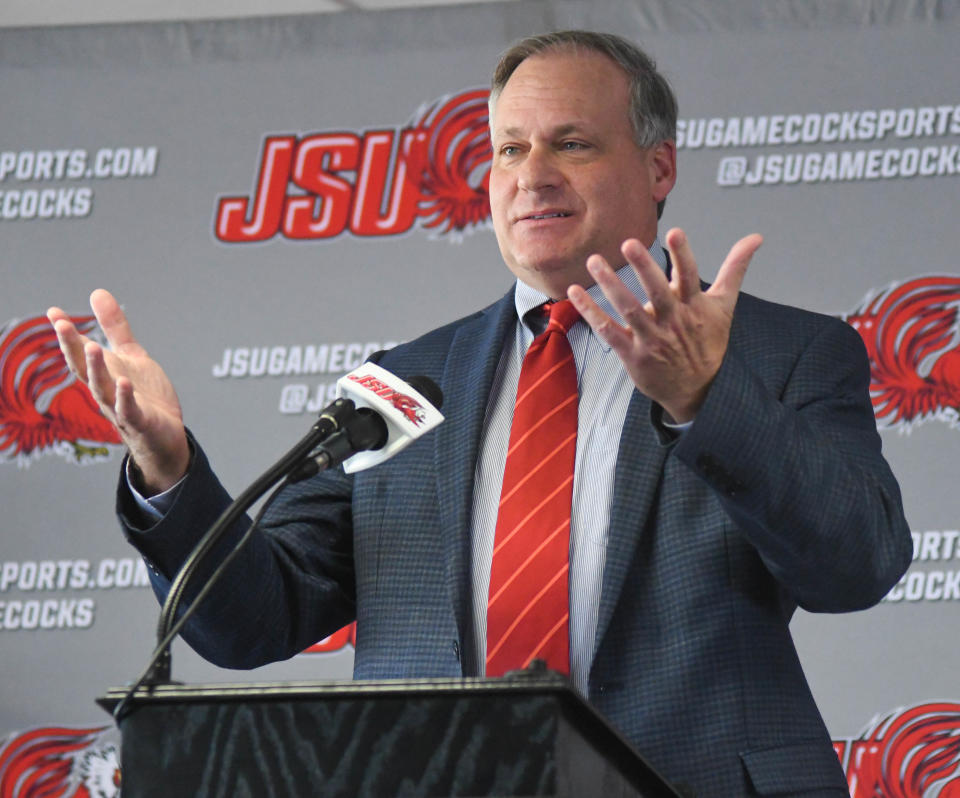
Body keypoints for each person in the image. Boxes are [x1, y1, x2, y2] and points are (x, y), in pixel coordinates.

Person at [48, 30, 911, 797]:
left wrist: (704, 399)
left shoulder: (782, 355)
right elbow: (254, 621)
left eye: (571, 143)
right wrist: (168, 468)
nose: (532, 175)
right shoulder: (402, 382)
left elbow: (854, 566)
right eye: (507, 150)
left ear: (659, 168)